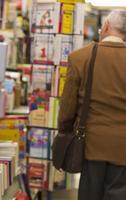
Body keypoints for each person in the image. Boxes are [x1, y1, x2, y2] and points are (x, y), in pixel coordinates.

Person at [58, 10, 126, 200]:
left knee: (90, 193)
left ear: (105, 27)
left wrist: (64, 130)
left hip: (91, 144)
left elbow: (68, 105)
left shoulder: (81, 57)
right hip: (124, 147)